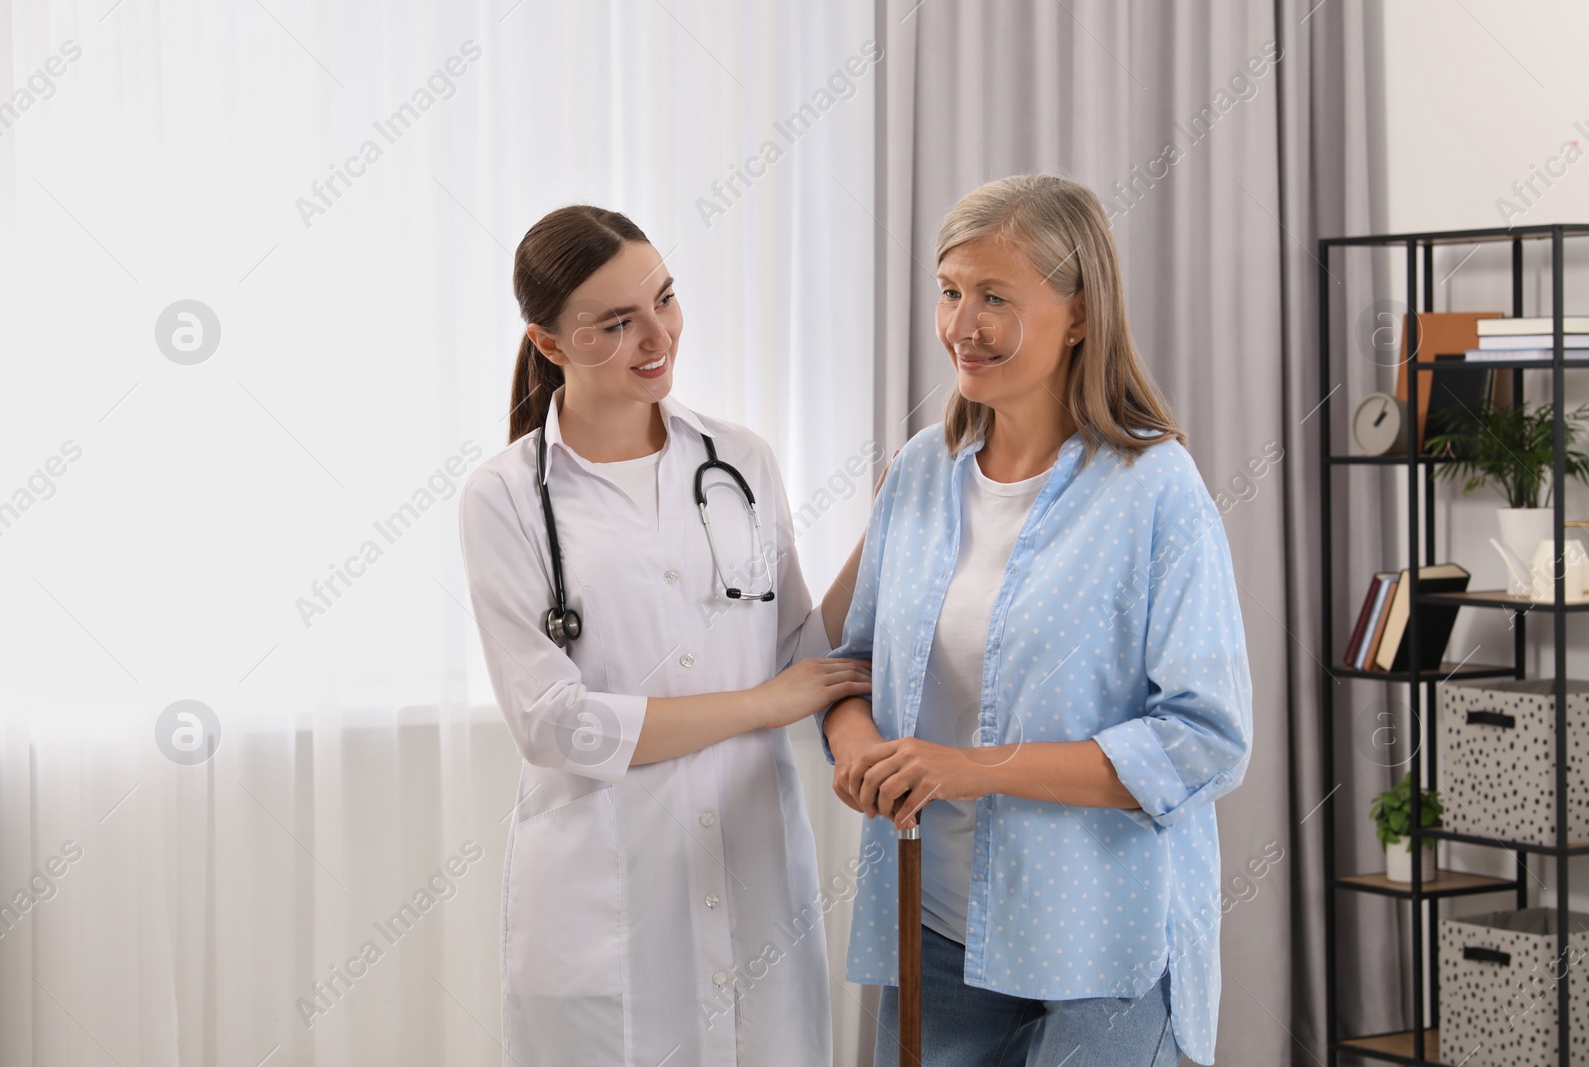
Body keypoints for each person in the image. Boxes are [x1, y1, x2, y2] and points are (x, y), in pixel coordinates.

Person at [816, 174, 1253, 1066]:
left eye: (994, 298)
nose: (961, 325)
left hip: (1102, 946)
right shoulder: (919, 475)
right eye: (949, 292)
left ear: (1081, 314)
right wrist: (860, 747)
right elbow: (849, 666)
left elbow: (1204, 737)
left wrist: (971, 769)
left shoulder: (1155, 491)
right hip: (933, 931)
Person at [458, 204, 871, 1066]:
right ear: (549, 344)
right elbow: (555, 724)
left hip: (751, 866)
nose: (658, 337)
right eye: (616, 323)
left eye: (666, 299)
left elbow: (798, 652)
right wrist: (761, 703)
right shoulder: (504, 498)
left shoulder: (740, 461)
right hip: (608, 900)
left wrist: (891, 526)